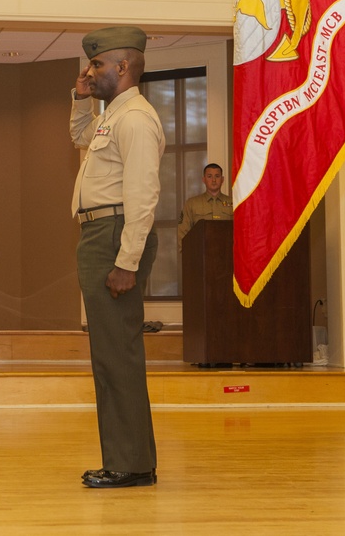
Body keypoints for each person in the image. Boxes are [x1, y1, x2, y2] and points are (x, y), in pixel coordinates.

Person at [69, 26, 163, 489]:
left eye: (98, 65)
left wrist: (127, 260)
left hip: (115, 235)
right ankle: (129, 459)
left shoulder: (135, 119)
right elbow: (79, 136)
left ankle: (131, 464)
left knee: (116, 355)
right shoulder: (113, 115)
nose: (91, 71)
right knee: (109, 354)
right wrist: (79, 95)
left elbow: (143, 195)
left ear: (122, 67)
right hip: (101, 234)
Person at [176, 163, 233, 248]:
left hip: (228, 254)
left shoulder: (233, 203)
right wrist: (188, 255)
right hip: (200, 255)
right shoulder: (192, 203)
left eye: (217, 176)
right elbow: (183, 232)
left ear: (222, 179)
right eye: (209, 176)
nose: (213, 180)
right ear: (204, 179)